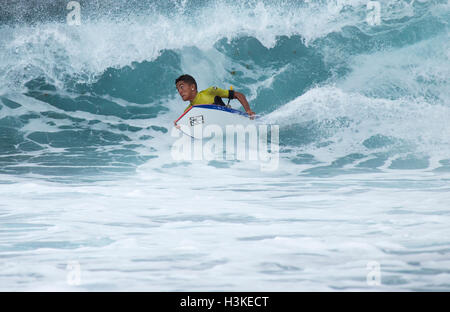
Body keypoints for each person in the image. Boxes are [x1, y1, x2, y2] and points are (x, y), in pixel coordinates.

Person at [174, 74, 255, 123]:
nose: (180, 91)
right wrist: (179, 125)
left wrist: (248, 111)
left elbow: (238, 95)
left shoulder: (210, 92)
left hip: (233, 122)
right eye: (178, 89)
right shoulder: (188, 111)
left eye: (181, 87)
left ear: (192, 87)